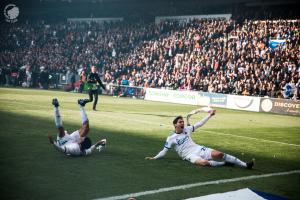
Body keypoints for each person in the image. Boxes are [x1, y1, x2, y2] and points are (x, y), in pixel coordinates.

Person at [145, 109, 254, 169]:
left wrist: (210, 115)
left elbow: (199, 124)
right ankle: (224, 164)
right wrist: (154, 158)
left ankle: (245, 165)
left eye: (182, 121)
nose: (182, 123)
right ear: (175, 125)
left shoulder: (187, 129)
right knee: (204, 163)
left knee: (219, 154)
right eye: (180, 122)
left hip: (198, 148)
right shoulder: (171, 138)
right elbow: (164, 151)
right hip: (188, 156)